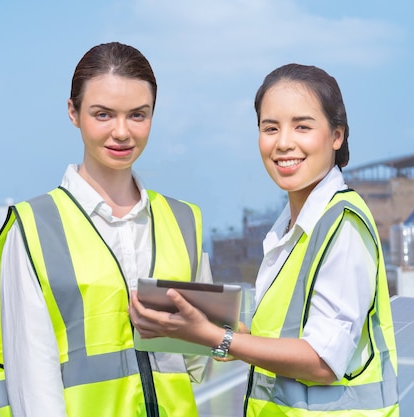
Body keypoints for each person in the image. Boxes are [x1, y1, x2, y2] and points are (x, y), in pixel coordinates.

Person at [130, 63, 400, 416]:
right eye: (270, 128)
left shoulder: (342, 225)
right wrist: (216, 328)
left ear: (337, 136)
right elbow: (287, 339)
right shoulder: (291, 228)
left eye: (302, 126)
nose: (284, 142)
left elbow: (322, 361)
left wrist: (219, 338)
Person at [0, 41, 213, 417]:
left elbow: (197, 363)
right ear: (73, 113)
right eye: (103, 115)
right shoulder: (33, 227)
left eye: (138, 115)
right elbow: (32, 383)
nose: (122, 132)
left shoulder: (184, 219)